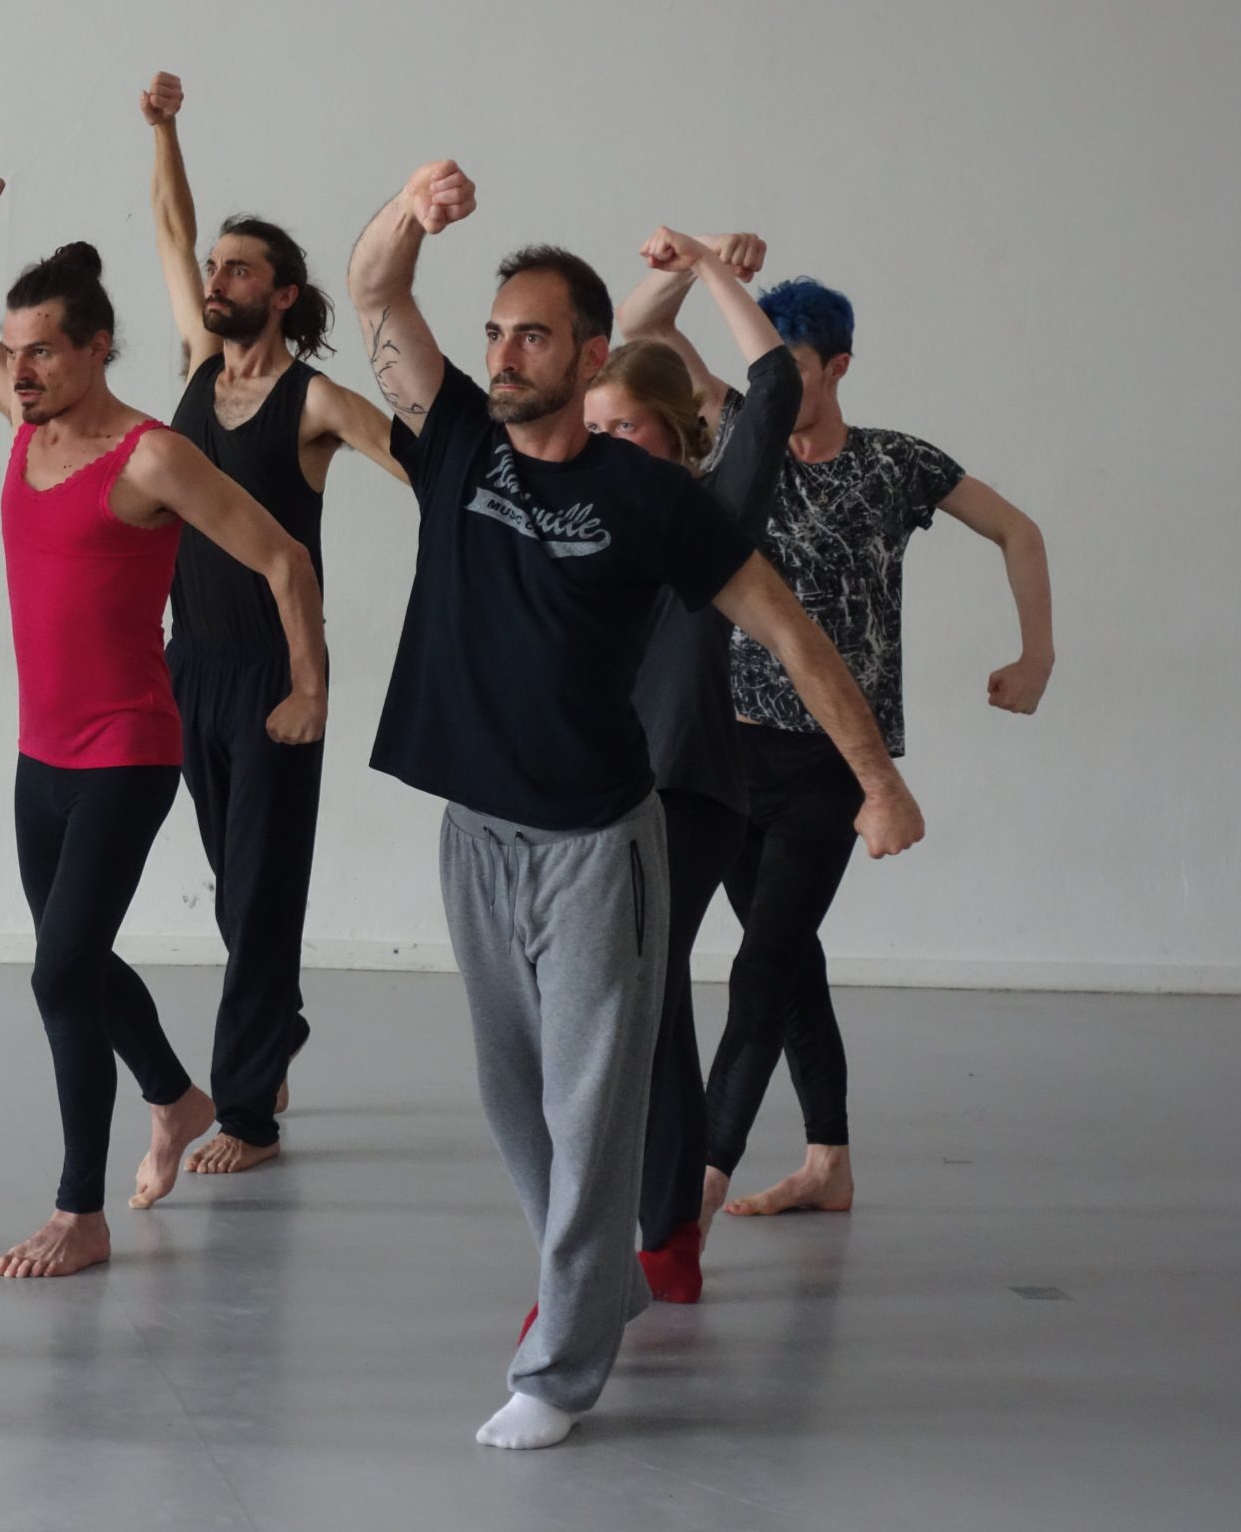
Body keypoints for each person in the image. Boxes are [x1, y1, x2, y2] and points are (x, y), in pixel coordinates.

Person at [346, 160, 923, 1449]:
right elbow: (374, 289)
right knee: (515, 1102)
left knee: (588, 1109)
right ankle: (596, 1280)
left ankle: (558, 1370)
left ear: (591, 353)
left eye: (532, 335)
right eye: (495, 332)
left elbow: (788, 628)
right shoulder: (457, 444)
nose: (503, 353)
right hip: (474, 834)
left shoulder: (645, 496)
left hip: (597, 843)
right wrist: (409, 211)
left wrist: (877, 782)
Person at [0, 155, 328, 1278]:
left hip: (128, 750)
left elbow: (283, 558)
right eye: (14, 349)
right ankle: (178, 1097)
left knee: (58, 973)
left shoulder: (152, 457)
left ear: (98, 348)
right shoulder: (22, 419)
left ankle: (78, 1212)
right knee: (76, 961)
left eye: (43, 350)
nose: (20, 368)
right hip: (38, 756)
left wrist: (309, 690)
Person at [698, 274, 1054, 1220]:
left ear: (838, 367)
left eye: (795, 369)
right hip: (729, 755)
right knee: (790, 959)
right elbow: (648, 335)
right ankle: (829, 1164)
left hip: (833, 763)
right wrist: (699, 264)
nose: (775, 383)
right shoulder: (739, 435)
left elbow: (1018, 529)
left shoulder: (895, 462)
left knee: (762, 968)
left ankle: (697, 1185)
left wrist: (1037, 655)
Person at [139, 71, 406, 1176]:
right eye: (215, 267)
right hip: (188, 664)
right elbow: (170, 227)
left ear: (284, 294)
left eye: (239, 269)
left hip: (277, 675)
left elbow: (421, 466)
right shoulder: (200, 369)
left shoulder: (317, 402)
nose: (214, 278)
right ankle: (276, 1026)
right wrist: (165, 130)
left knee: (260, 888)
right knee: (232, 878)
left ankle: (247, 1110)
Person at [591, 225, 802, 1304]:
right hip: (597, 791)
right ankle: (661, 1233)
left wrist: (713, 268)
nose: (605, 441)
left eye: (624, 425)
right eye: (595, 427)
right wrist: (671, 266)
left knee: (643, 1003)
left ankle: (659, 1232)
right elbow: (623, 333)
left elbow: (773, 389)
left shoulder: (711, 510)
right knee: (642, 1004)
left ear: (671, 435)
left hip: (685, 788)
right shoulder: (577, 514)